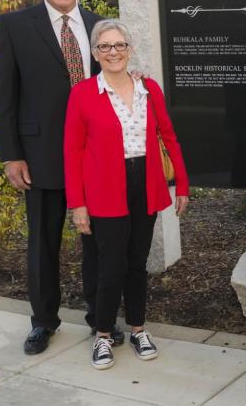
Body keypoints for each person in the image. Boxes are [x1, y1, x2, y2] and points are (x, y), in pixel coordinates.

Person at [0, 0, 123, 354]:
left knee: (98, 244)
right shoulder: (14, 26)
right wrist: (11, 154)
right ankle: (43, 321)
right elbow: (5, 97)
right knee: (43, 243)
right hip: (40, 154)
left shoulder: (97, 26)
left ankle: (99, 320)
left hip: (94, 156)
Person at [64, 19, 189, 369]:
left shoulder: (148, 88)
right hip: (105, 191)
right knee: (111, 266)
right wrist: (78, 204)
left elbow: (169, 135)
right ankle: (103, 334)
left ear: (129, 49)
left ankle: (138, 329)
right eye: (105, 46)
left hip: (144, 185)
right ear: (95, 53)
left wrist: (182, 182)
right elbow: (72, 152)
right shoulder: (84, 94)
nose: (113, 52)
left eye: (119, 45)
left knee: (137, 264)